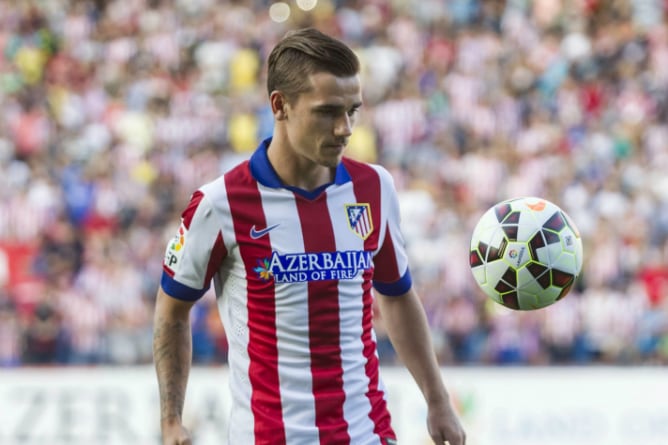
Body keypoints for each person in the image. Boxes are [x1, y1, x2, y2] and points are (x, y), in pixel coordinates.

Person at [153, 27, 466, 445]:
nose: (345, 128)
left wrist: (437, 399)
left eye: (353, 110)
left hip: (367, 433)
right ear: (280, 106)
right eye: (328, 112)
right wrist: (171, 419)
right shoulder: (220, 203)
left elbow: (397, 294)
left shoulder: (374, 188)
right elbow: (172, 311)